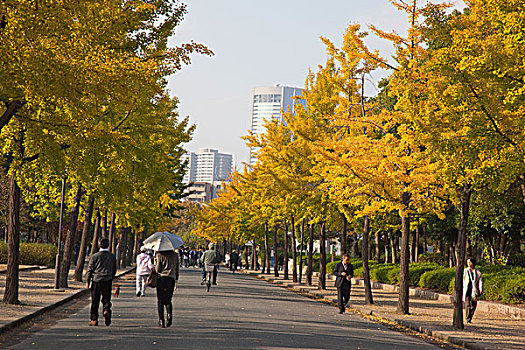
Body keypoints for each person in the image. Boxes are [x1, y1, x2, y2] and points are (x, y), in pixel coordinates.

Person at [86, 238, 117, 326]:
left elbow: (90, 269)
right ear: (108, 245)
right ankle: (106, 310)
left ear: (99, 245)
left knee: (95, 300)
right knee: (106, 299)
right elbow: (114, 269)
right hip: (107, 280)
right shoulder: (112, 256)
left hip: (96, 280)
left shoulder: (95, 256)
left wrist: (88, 281)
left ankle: (94, 319)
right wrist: (111, 277)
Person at [155, 249, 179, 328]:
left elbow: (158, 269)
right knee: (168, 299)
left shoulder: (160, 255)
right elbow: (177, 268)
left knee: (160, 300)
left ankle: (161, 320)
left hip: (161, 278)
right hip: (171, 278)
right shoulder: (175, 255)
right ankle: (169, 316)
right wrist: (176, 278)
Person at [463, 257, 483, 324]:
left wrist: (480, 288)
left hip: (474, 289)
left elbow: (480, 281)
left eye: (470, 262)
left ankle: (470, 316)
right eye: (467, 262)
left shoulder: (477, 272)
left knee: (474, 305)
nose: (468, 264)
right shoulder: (465, 271)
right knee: (468, 304)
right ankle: (468, 318)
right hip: (467, 289)